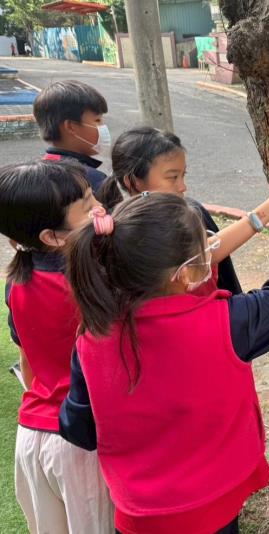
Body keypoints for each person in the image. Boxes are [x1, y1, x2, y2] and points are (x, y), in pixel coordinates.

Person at [59, 170, 269, 533]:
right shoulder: (227, 323)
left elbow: (78, 427)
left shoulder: (91, 336)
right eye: (203, 248)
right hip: (210, 510)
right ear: (182, 274)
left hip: (137, 516)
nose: (210, 252)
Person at [0, 160, 114, 533]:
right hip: (81, 443)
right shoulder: (95, 282)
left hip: (32, 438)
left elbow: (29, 365)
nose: (100, 206)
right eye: (87, 204)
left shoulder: (17, 283)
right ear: (52, 236)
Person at [97, 127, 269, 294]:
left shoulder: (184, 214)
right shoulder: (132, 236)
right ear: (134, 181)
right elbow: (208, 254)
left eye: (183, 175)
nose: (183, 187)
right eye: (172, 177)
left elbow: (209, 252)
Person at [32, 80, 110, 192]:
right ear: (71, 127)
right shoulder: (93, 180)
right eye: (97, 120)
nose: (103, 127)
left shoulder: (33, 174)